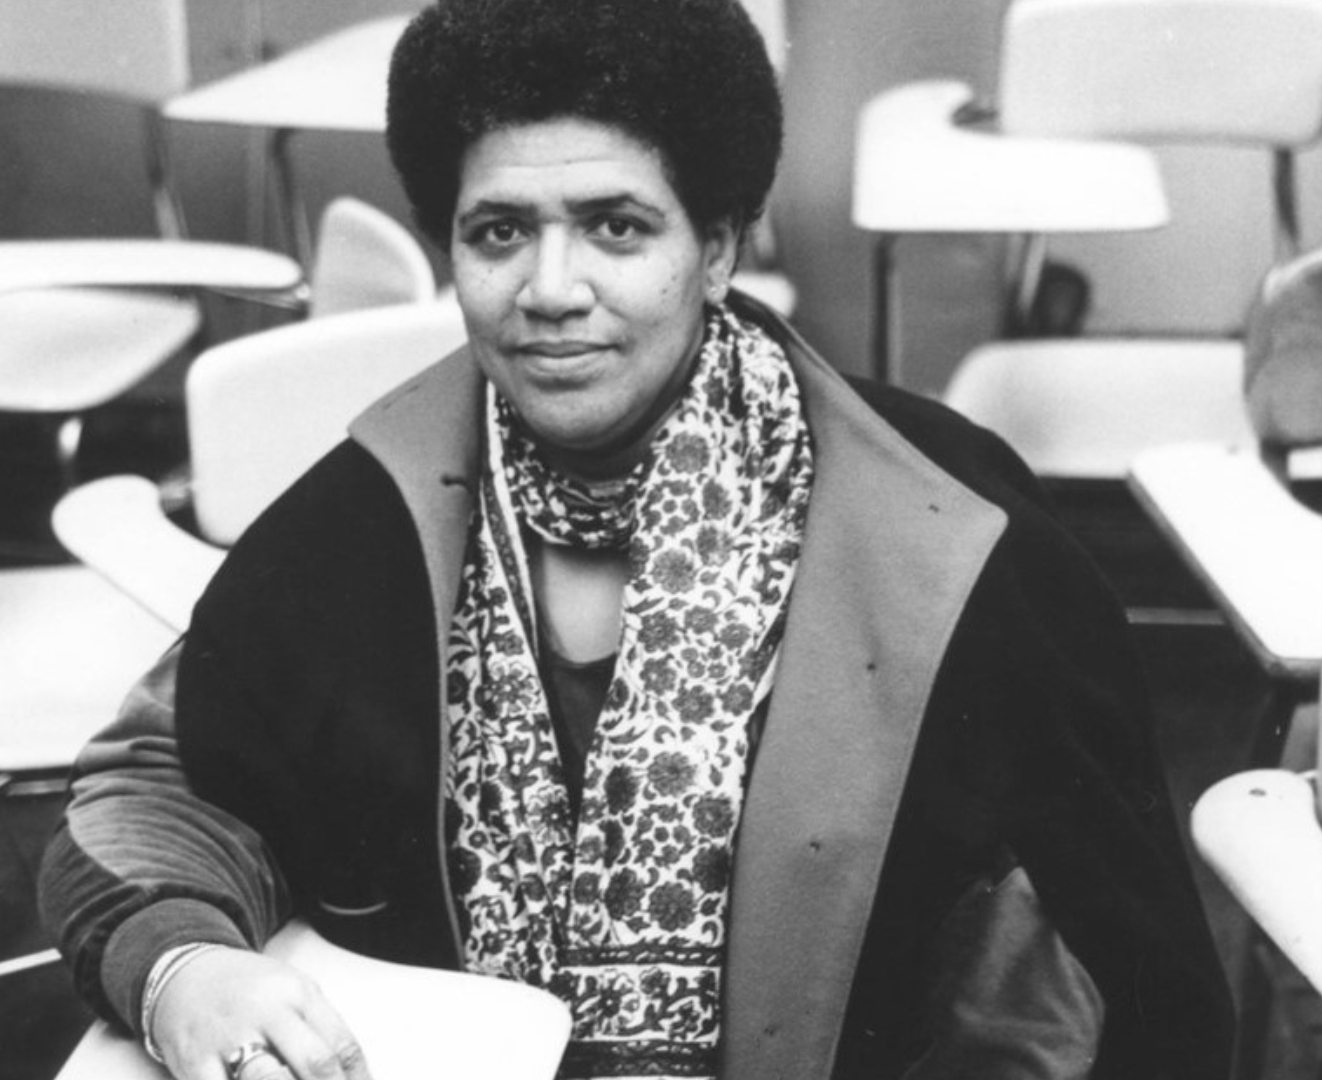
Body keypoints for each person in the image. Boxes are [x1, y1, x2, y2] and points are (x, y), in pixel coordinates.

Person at [40, 1, 1233, 1078]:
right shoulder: (369, 513)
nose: (549, 288)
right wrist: (182, 969)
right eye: (498, 232)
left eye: (615, 227)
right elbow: (161, 784)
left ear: (715, 248)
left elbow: (1090, 989)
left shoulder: (950, 535)